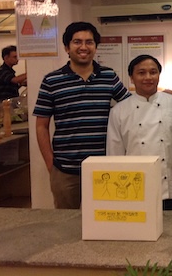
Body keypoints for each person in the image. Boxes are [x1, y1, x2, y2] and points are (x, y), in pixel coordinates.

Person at [34, 21, 131, 209]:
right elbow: (41, 126)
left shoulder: (109, 76)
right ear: (67, 47)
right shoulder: (51, 81)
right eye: (77, 42)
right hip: (65, 170)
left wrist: (161, 95)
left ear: (96, 47)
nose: (84, 47)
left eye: (89, 42)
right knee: (65, 224)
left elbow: (131, 106)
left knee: (103, 221)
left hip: (102, 168)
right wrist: (51, 164)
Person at [106, 55, 172, 210]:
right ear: (131, 78)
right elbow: (114, 154)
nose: (148, 77)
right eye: (141, 73)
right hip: (134, 189)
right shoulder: (119, 111)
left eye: (153, 72)